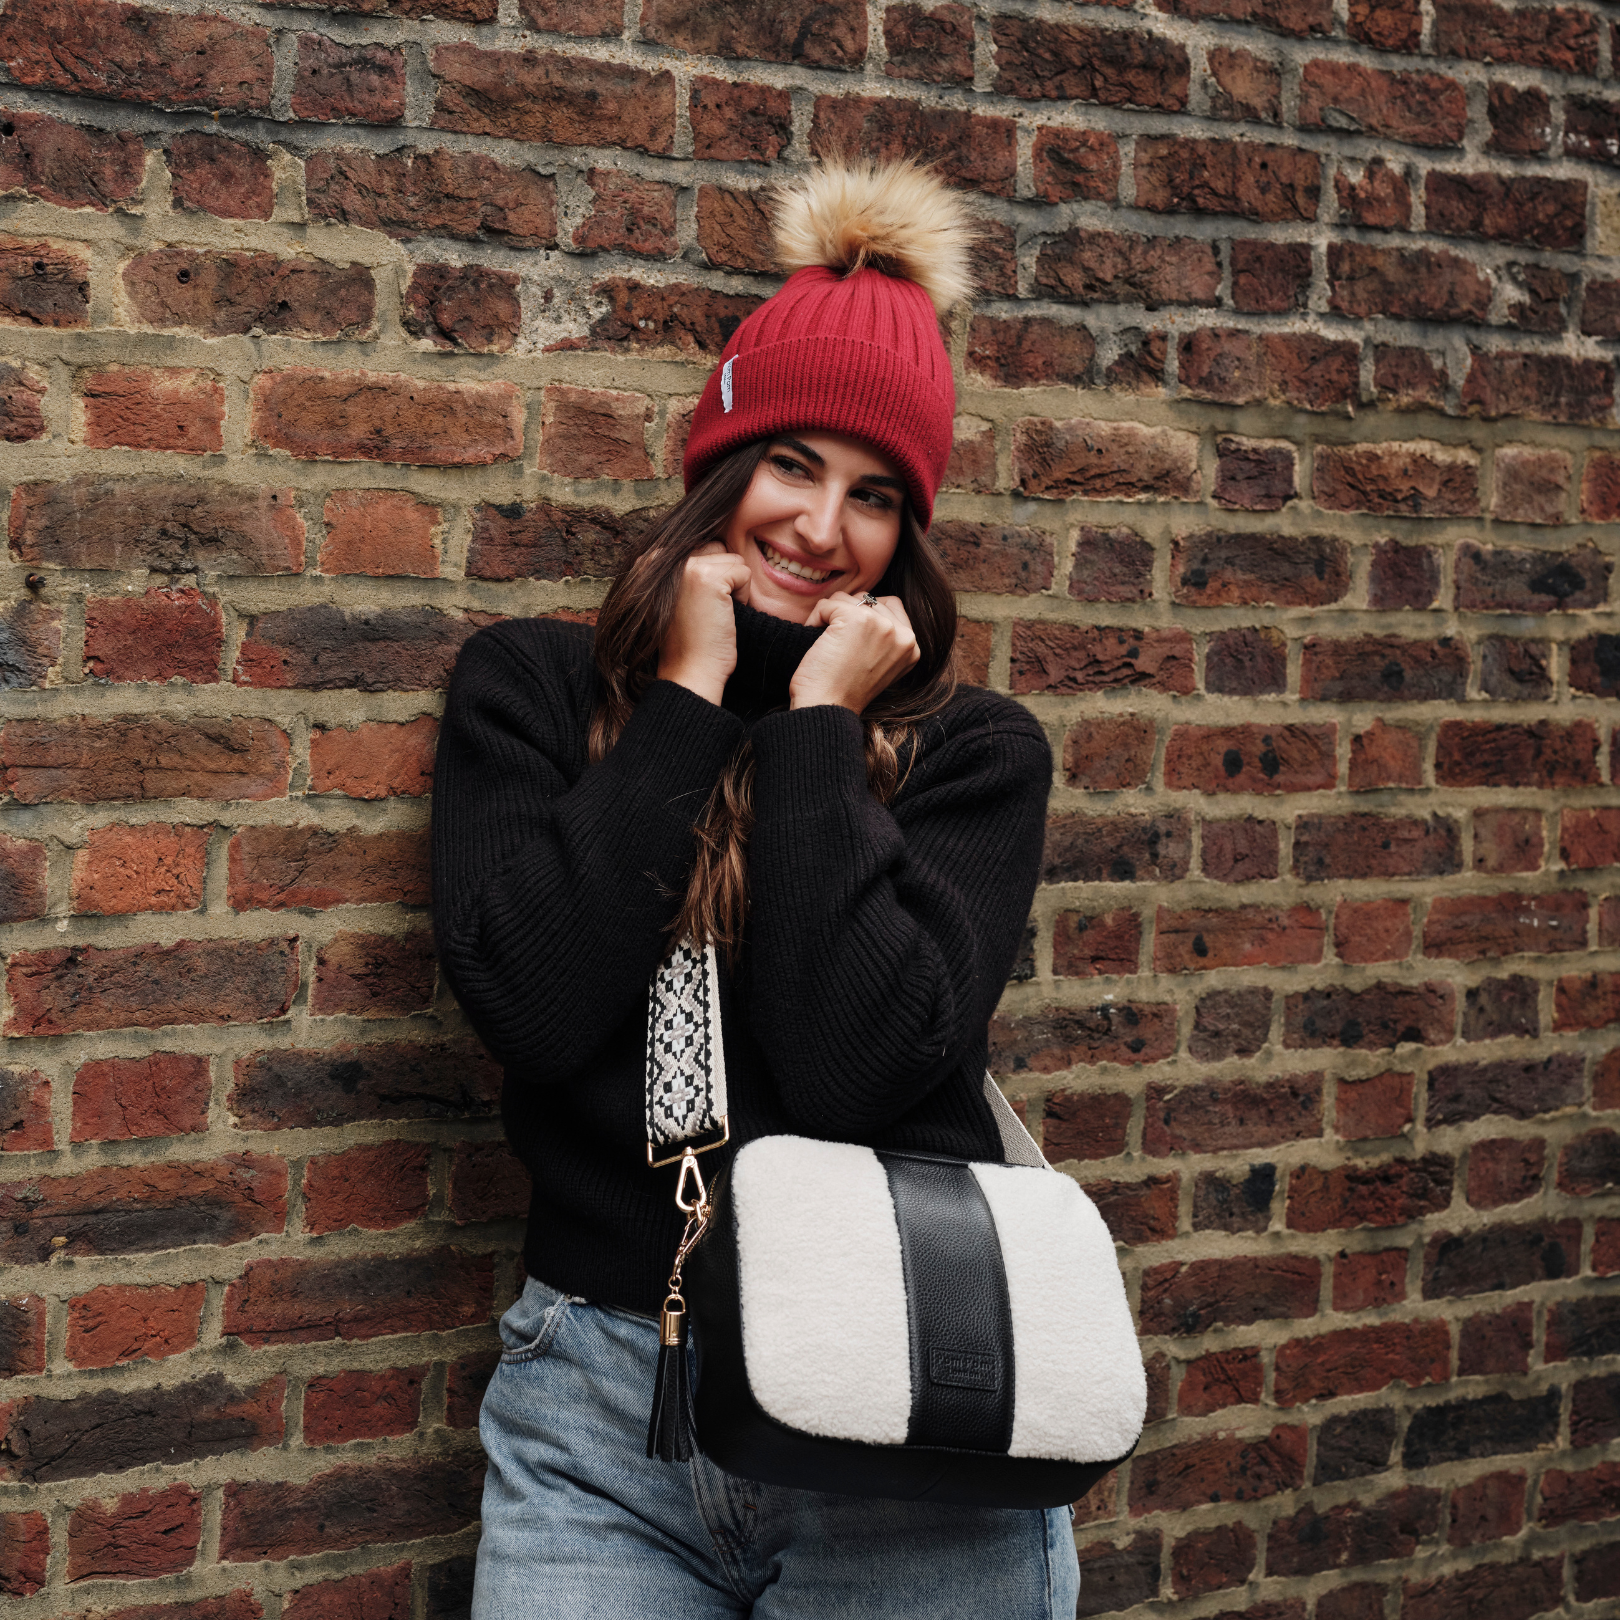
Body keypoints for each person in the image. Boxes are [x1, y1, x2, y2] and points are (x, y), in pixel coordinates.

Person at [431, 158, 1076, 1620]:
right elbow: (530, 1004)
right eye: (792, 464)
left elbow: (860, 1067)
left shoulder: (970, 755)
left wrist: (812, 734)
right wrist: (685, 705)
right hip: (601, 1411)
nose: (819, 527)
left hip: (900, 1420)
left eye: (874, 496)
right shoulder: (537, 694)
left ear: (906, 537)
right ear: (720, 465)